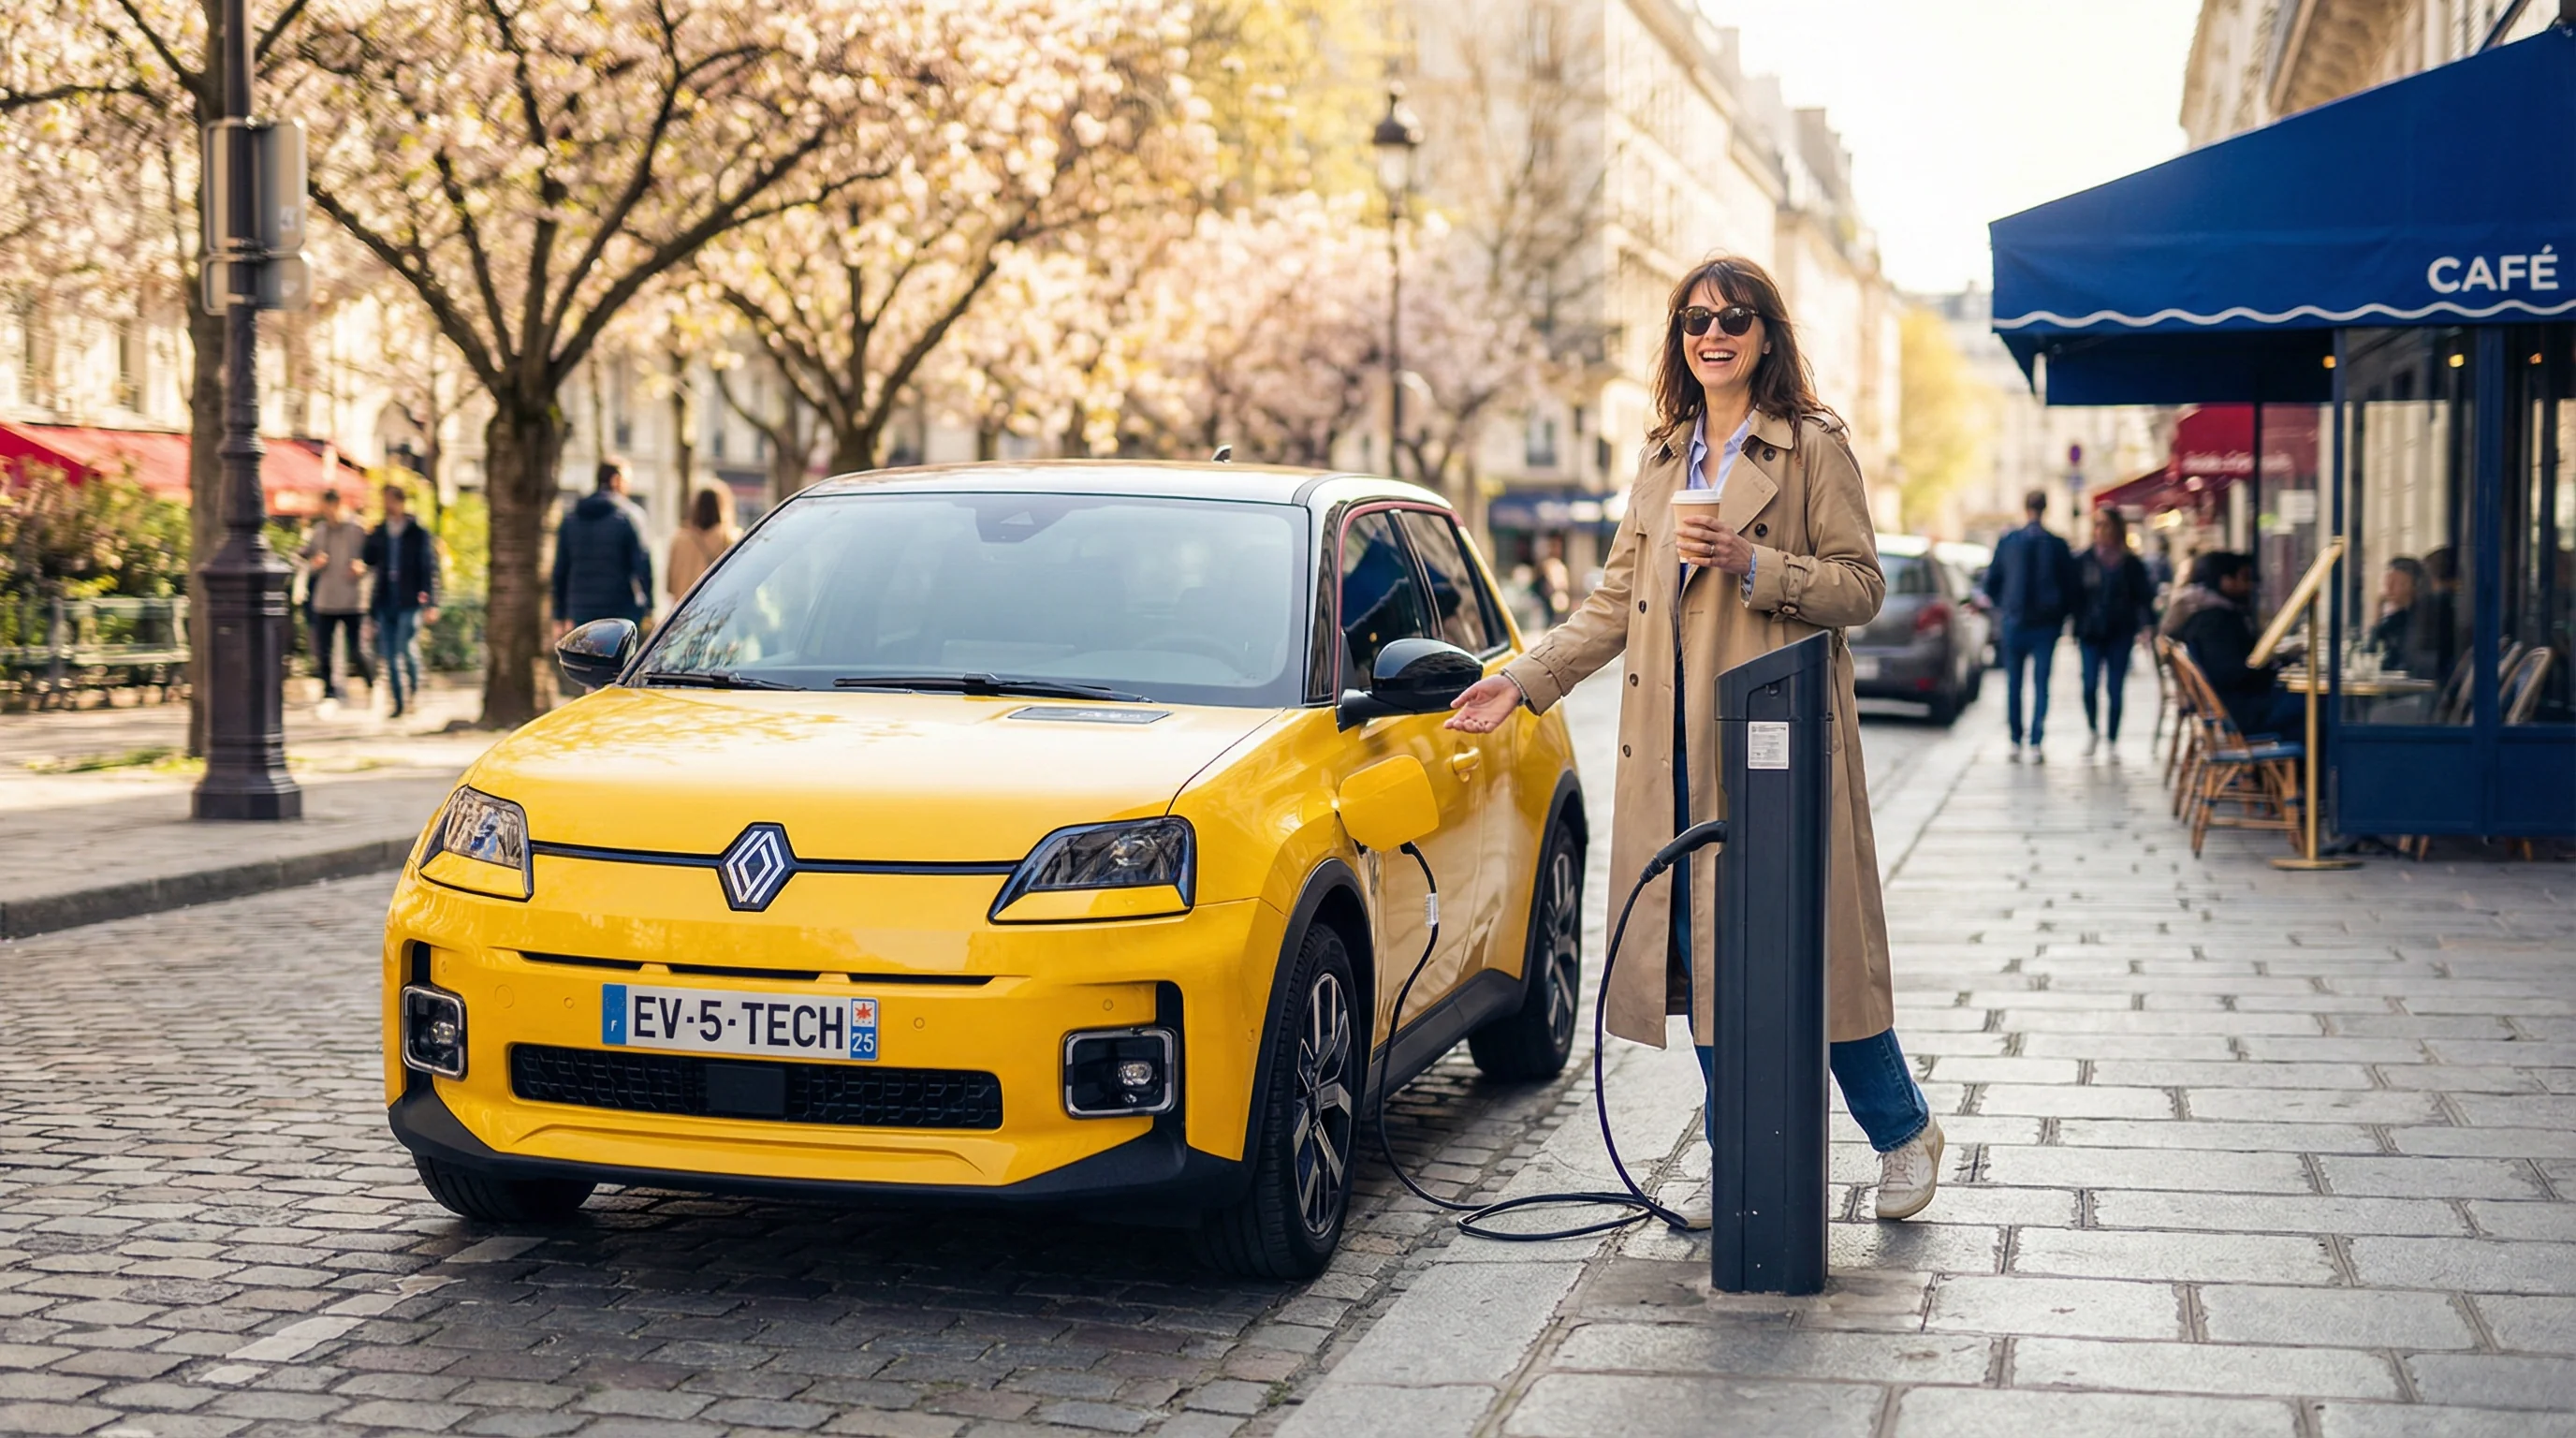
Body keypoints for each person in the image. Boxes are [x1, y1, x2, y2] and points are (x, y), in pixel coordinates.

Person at [1446, 254, 1940, 1222]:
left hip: (1775, 748)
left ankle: (1901, 1130)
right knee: (1700, 953)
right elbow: (1611, 605)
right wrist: (1520, 681)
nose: (1712, 333)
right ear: (1679, 339)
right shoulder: (1664, 456)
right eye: (1694, 319)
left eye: (1734, 317)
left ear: (1766, 336)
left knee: (1813, 955)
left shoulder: (1811, 445)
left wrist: (1757, 563)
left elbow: (1863, 589)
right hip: (1670, 753)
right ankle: (1738, 1151)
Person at [1982, 489, 2080, 761]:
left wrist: (2006, 609)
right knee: (2041, 683)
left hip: (2015, 622)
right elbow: (2071, 587)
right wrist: (2060, 617)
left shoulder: (2009, 541)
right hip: (2046, 626)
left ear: (2025, 508)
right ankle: (2036, 741)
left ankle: (2016, 740)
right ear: (2045, 508)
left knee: (2014, 683)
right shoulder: (2058, 544)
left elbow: (1992, 582)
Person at [2173, 550, 2303, 739]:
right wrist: (2274, 667)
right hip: (2241, 713)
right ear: (2226, 581)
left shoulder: (2208, 615)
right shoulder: (2217, 621)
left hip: (2232, 707)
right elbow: (2232, 673)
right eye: (2245, 578)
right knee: (2317, 706)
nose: (2250, 586)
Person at [2072, 510, 2156, 754]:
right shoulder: (2084, 560)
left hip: (2120, 632)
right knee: (2089, 685)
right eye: (2098, 525)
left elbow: (2143, 596)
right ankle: (2093, 729)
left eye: (2107, 525)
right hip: (2090, 633)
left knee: (2115, 687)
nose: (2102, 530)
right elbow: (2074, 596)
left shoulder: (2130, 563)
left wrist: (2147, 626)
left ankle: (2112, 737)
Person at [360, 482, 439, 720]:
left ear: (400, 502)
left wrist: (432, 601)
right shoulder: (380, 531)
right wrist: (372, 536)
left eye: (390, 500)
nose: (387, 505)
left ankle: (414, 692)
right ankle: (398, 702)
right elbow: (368, 559)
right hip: (385, 600)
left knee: (406, 648)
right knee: (390, 654)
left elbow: (429, 567)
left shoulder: (417, 532)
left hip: (410, 600)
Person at [551, 461, 654, 636]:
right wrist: (649, 606)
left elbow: (560, 569)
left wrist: (559, 615)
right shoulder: (629, 517)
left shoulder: (571, 519)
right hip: (620, 610)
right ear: (616, 480)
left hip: (581, 611)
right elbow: (643, 565)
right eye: (627, 481)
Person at [298, 487, 373, 703]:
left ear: (338, 505)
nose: (327, 512)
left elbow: (373, 559)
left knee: (357, 650)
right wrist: (314, 564)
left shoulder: (357, 530)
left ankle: (371, 682)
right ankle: (330, 691)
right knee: (323, 650)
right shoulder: (319, 531)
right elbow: (303, 559)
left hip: (352, 599)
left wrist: (363, 567)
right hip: (326, 598)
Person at [665, 485, 739, 605]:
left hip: (685, 613)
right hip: (718, 610)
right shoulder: (730, 539)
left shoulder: (679, 540)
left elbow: (670, 586)